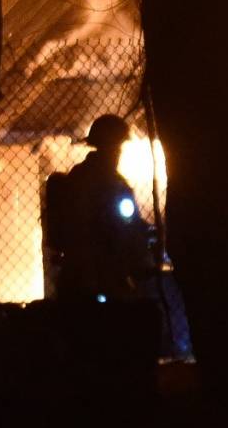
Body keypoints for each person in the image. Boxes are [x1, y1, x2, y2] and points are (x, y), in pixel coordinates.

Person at [43, 115, 155, 304]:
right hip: (104, 273)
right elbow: (127, 228)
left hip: (75, 275)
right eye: (116, 147)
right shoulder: (114, 185)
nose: (117, 153)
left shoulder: (78, 177)